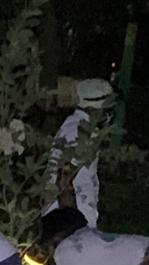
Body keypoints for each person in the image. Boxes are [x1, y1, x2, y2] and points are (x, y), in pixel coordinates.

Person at [42, 78, 113, 228]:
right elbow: (64, 179)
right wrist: (70, 223)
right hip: (73, 217)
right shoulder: (79, 133)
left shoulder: (75, 125)